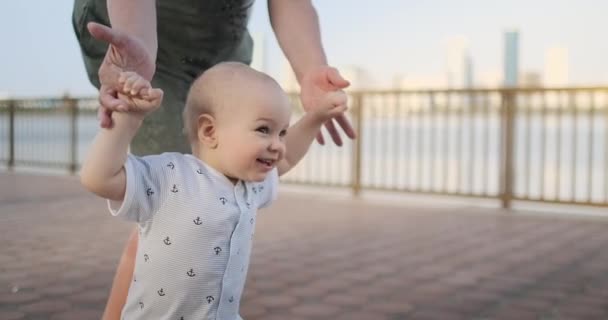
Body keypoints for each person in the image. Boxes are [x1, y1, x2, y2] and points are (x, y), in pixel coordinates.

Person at [72, 1, 356, 318]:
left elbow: (286, 158)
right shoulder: (171, 176)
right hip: (140, 26)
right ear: (208, 131)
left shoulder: (249, 187)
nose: (277, 145)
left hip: (220, 39)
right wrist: (128, 117)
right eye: (265, 130)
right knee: (150, 226)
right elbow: (97, 178)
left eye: (282, 132)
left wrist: (315, 114)